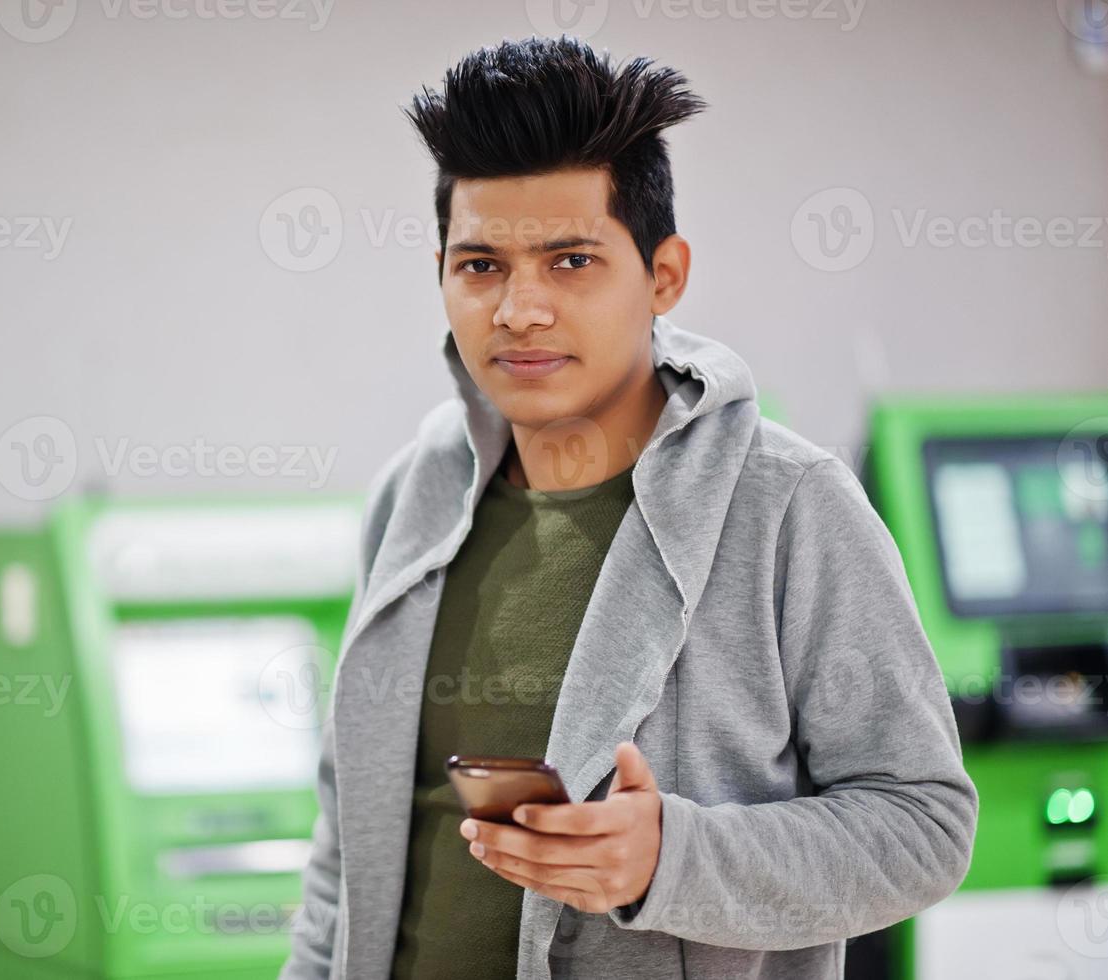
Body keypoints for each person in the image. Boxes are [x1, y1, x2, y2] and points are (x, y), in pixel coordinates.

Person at [281, 34, 977, 980]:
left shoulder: (787, 508)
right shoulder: (415, 495)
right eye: (480, 265)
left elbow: (922, 826)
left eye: (570, 261)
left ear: (663, 275)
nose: (519, 309)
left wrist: (670, 859)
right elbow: (349, 847)